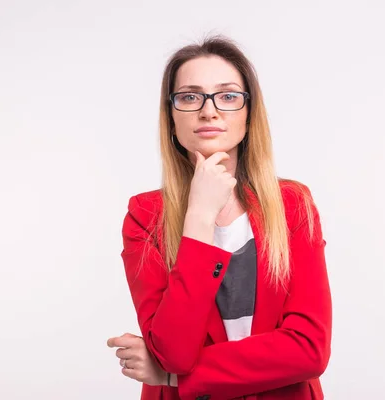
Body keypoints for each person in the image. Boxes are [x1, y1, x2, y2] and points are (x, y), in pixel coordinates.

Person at [106, 35, 332, 400]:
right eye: (190, 96)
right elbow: (174, 352)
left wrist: (174, 378)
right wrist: (198, 216)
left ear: (248, 112)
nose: (208, 111)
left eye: (227, 96)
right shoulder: (145, 216)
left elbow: (309, 350)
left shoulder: (293, 205)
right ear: (171, 117)